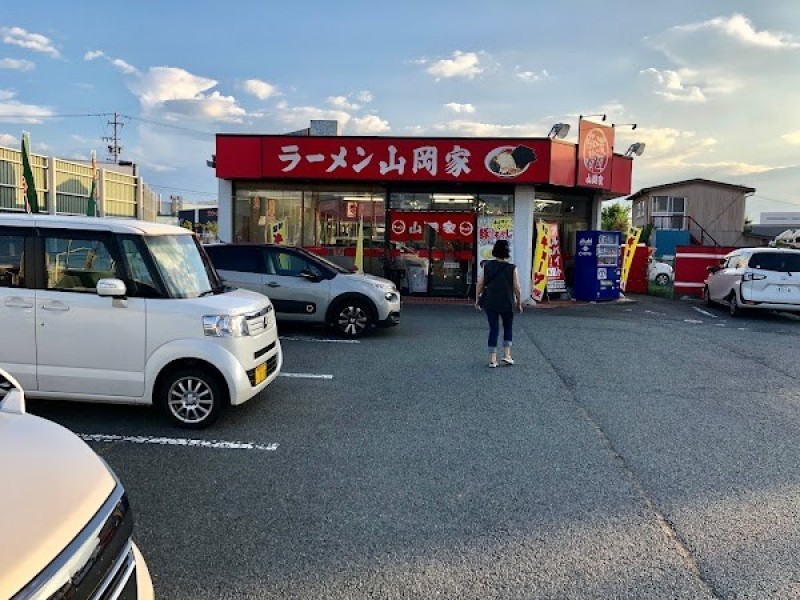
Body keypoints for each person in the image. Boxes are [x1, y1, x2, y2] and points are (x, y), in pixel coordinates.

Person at [474, 239, 523, 367]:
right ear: (507, 252)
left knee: (493, 329)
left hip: (490, 301)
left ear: (494, 251)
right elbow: (517, 287)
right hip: (507, 301)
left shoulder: (487, 266)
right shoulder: (512, 268)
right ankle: (507, 355)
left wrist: (477, 299)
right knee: (508, 327)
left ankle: (492, 359)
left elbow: (480, 283)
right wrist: (519, 302)